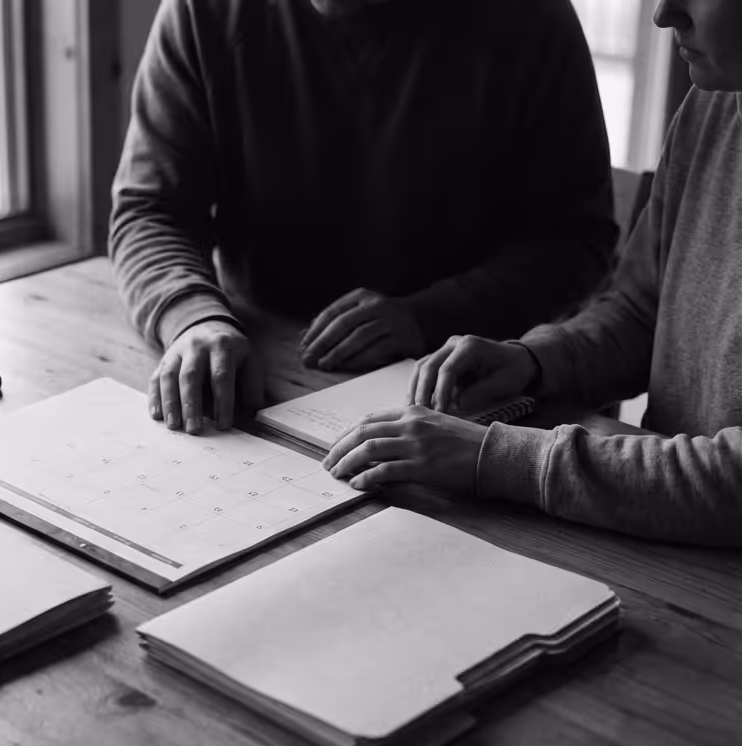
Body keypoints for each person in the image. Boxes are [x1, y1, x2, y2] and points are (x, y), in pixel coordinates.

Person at [321, 0, 742, 547]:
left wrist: (496, 458)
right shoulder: (715, 105)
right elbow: (642, 313)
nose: (664, 14)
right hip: (655, 537)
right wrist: (536, 360)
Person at [109, 0, 617, 435]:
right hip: (258, 364)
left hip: (459, 395)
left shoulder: (528, 18)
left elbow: (575, 239)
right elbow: (152, 208)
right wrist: (193, 315)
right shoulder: (205, 11)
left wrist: (428, 315)